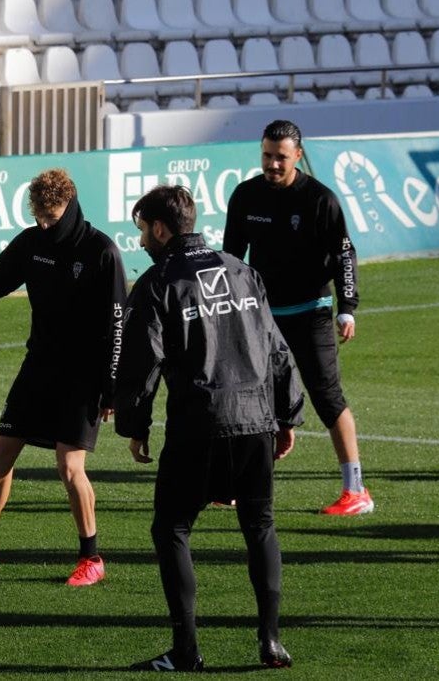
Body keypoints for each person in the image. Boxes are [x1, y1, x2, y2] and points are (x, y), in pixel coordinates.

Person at [115, 184, 303, 671]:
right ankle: (271, 641)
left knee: (172, 528)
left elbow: (142, 362)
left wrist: (135, 425)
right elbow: (276, 347)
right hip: (256, 422)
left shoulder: (157, 282)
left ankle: (186, 650)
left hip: (199, 425)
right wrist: (287, 415)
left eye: (143, 230)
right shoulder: (242, 271)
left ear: (161, 229)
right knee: (260, 527)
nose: (141, 240)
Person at [0, 168, 127, 587]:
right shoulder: (31, 243)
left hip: (83, 376)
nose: (45, 225)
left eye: (52, 218)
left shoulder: (101, 251)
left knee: (69, 467)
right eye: (39, 217)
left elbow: (118, 325)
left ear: (70, 206)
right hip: (39, 368)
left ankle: (91, 558)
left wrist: (112, 389)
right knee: (1, 455)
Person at [223, 119, 371, 516]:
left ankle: (356, 490)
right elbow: (232, 259)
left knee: (327, 397)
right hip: (263, 317)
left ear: (298, 156)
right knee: (252, 400)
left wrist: (347, 308)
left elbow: (344, 255)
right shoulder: (246, 196)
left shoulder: (321, 200)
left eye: (281, 158)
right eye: (267, 156)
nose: (272, 164)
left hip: (311, 313)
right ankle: (244, 484)